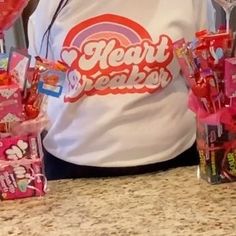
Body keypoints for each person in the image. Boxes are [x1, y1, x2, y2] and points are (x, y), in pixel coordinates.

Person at [28, 0, 215, 180]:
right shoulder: (52, 5)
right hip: (71, 167)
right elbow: (46, 81)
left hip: (175, 162)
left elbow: (199, 74)